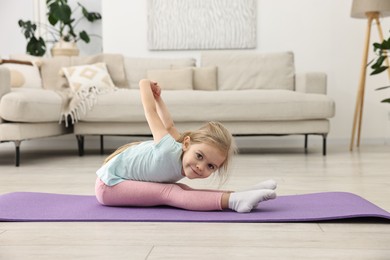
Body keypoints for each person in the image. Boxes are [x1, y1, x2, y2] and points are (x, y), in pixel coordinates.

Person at [95, 79, 277, 213]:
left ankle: (240, 194)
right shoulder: (167, 148)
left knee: (184, 190)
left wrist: (159, 99)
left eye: (210, 166)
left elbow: (170, 126)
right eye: (199, 156)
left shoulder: (180, 145)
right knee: (171, 192)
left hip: (120, 183)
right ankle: (233, 201)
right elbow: (150, 112)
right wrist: (144, 84)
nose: (200, 167)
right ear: (187, 143)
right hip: (109, 185)